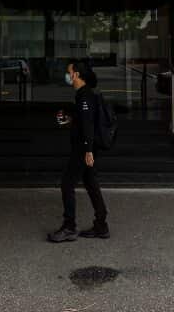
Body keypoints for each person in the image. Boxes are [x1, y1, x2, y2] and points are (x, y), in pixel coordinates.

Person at [47, 59, 109, 242]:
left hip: (83, 149)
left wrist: (88, 151)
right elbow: (83, 120)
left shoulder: (85, 96)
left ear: (76, 75)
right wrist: (69, 120)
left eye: (69, 72)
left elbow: (88, 125)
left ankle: (69, 227)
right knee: (91, 183)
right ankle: (101, 225)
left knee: (67, 184)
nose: (67, 75)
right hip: (86, 147)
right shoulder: (83, 94)